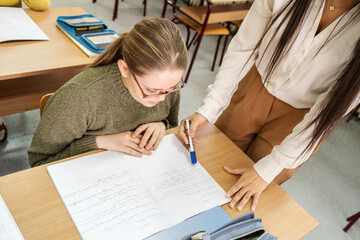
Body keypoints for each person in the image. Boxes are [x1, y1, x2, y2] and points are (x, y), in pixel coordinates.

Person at [179, 0, 360, 212]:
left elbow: (331, 109)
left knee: (243, 195)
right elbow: (244, 47)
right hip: (254, 85)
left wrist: (270, 169)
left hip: (304, 119)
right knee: (213, 164)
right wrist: (208, 108)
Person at [28, 18, 187, 167]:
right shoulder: (80, 96)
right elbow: (39, 162)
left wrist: (161, 126)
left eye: (171, 88)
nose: (162, 98)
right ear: (124, 69)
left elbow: (171, 125)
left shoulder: (165, 86)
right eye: (151, 90)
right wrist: (99, 142)